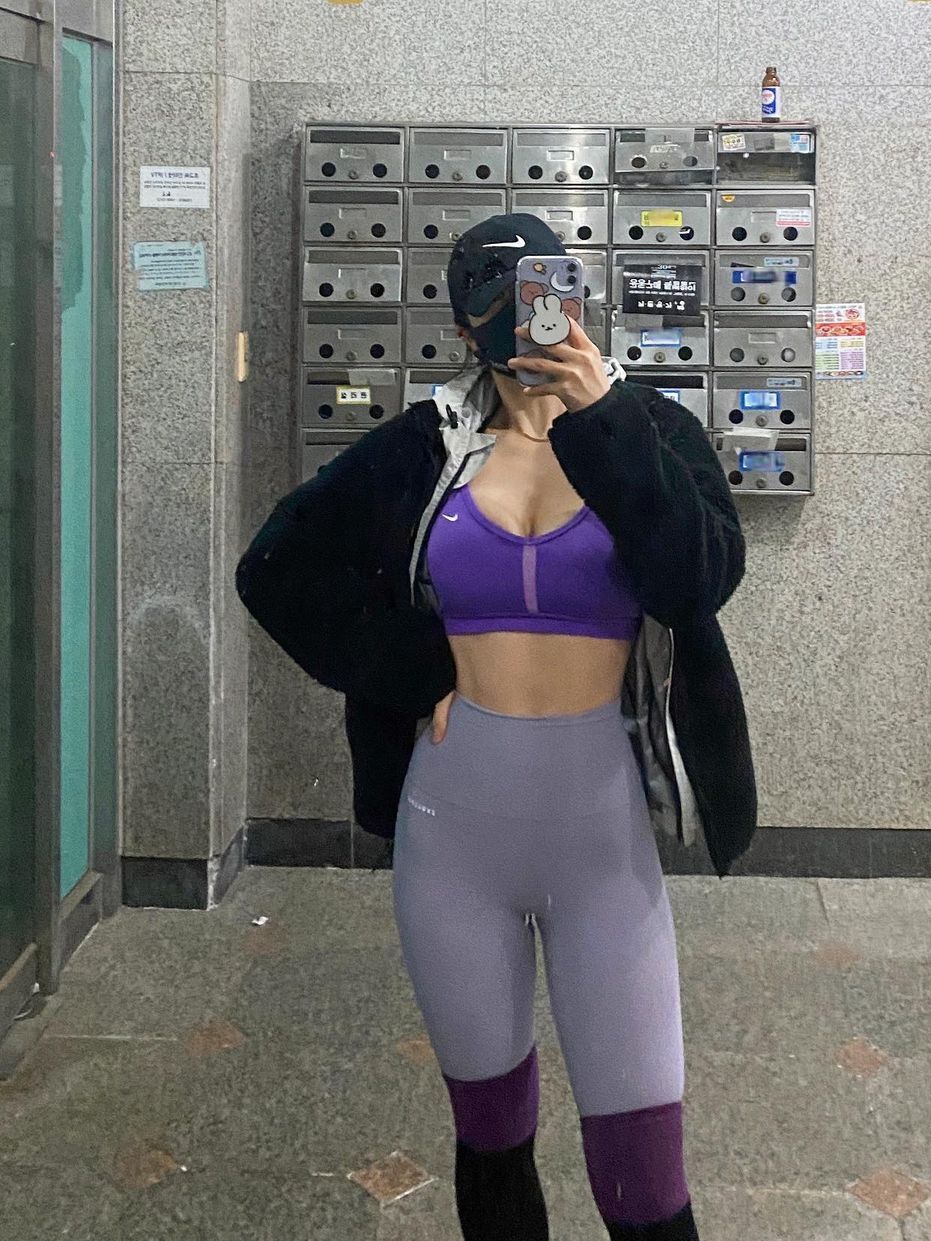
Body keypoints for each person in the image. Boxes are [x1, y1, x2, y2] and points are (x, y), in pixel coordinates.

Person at [236, 213, 757, 1240]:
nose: (536, 322)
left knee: (646, 1175)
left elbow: (697, 580)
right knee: (492, 1137)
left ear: (579, 297)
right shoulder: (422, 447)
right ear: (467, 328)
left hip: (603, 847)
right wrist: (411, 665)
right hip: (453, 837)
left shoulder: (650, 431)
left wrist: (603, 417)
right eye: (507, 306)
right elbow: (274, 569)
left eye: (553, 293)